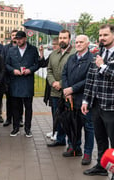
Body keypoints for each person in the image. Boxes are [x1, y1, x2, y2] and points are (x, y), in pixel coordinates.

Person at [81, 24, 114, 179]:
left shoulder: (103, 59)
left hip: (111, 107)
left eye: (105, 35)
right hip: (96, 105)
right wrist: (86, 100)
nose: (102, 38)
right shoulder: (99, 53)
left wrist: (103, 66)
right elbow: (90, 79)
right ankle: (101, 166)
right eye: (100, 35)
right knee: (100, 139)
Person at [62, 35, 94, 165]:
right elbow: (64, 74)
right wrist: (66, 90)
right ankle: (74, 147)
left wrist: (72, 89)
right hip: (70, 99)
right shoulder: (71, 58)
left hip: (85, 100)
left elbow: (89, 80)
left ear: (87, 44)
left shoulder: (91, 60)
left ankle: (87, 153)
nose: (78, 44)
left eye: (81, 42)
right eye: (77, 42)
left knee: (88, 127)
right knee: (72, 124)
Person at [6, 31, 39, 137]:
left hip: (27, 82)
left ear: (25, 39)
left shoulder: (33, 49)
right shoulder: (11, 50)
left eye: (20, 39)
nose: (18, 40)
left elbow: (37, 64)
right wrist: (13, 71)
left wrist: (30, 70)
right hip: (15, 82)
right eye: (17, 39)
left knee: (28, 107)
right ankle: (16, 127)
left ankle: (27, 128)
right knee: (15, 107)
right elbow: (6, 64)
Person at [47, 29, 76, 147]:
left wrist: (61, 83)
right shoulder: (54, 54)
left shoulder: (74, 53)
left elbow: (74, 73)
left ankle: (72, 143)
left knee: (69, 118)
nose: (62, 40)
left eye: (64, 38)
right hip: (55, 92)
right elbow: (49, 70)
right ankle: (60, 139)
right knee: (57, 117)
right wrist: (53, 82)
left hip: (68, 92)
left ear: (69, 39)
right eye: (60, 38)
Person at [39, 37, 59, 141]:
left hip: (59, 87)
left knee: (58, 111)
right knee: (53, 109)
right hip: (50, 85)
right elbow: (43, 64)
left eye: (56, 44)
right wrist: (41, 53)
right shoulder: (52, 55)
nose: (54, 46)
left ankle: (58, 132)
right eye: (53, 44)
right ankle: (55, 129)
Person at [2, 29, 20, 127]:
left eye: (16, 35)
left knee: (19, 100)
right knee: (9, 100)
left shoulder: (21, 47)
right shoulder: (5, 48)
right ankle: (8, 118)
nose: (14, 37)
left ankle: (20, 119)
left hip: (19, 78)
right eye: (12, 35)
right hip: (9, 78)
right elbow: (4, 62)